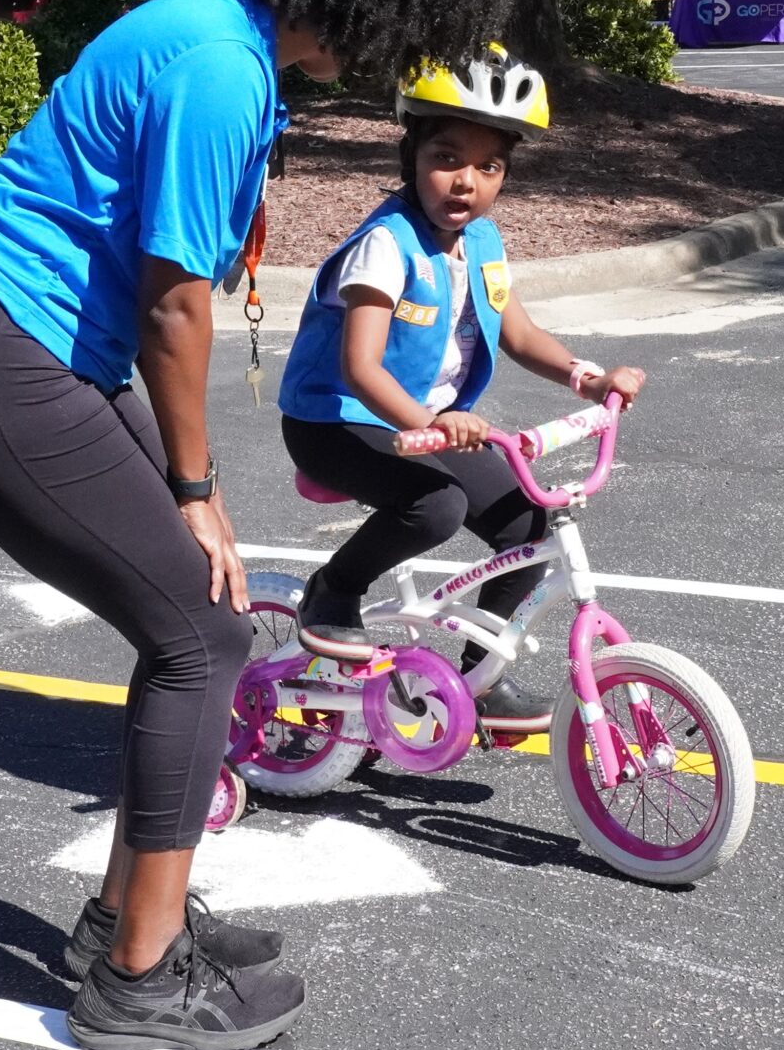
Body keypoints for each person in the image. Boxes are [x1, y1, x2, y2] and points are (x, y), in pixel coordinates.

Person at [0, 0, 520, 1050]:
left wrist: (181, 487)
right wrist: (194, 484)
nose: (388, 49)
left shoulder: (222, 32)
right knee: (198, 628)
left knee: (195, 621)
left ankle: (128, 914)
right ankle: (135, 977)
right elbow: (174, 301)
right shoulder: (221, 64)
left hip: (7, 335)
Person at [276, 48, 647, 730]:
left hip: (423, 421)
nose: (465, 182)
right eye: (447, 157)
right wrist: (433, 424)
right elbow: (360, 367)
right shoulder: (384, 246)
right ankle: (334, 590)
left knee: (530, 528)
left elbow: (518, 332)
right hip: (334, 418)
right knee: (435, 504)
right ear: (410, 154)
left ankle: (480, 673)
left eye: (489, 166)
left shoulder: (481, 242)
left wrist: (589, 379)